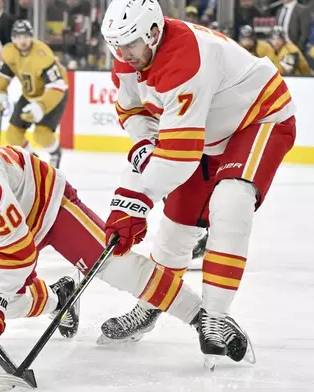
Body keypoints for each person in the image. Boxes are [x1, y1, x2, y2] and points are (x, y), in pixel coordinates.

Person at [0, 135, 254, 365]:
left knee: (116, 267)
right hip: (0, 232)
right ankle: (58, 299)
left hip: (46, 204)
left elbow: (17, 251)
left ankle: (204, 317)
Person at [98, 0, 295, 361]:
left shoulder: (186, 57)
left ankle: (216, 318)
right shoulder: (129, 52)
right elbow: (131, 109)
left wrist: (132, 203)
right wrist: (143, 145)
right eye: (116, 46)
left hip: (257, 120)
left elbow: (177, 157)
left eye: (129, 44)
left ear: (154, 33)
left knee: (231, 201)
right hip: (202, 133)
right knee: (175, 227)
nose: (123, 54)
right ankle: (150, 305)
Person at [0, 20, 67, 169]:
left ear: (31, 36)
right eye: (18, 37)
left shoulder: (42, 53)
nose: (22, 41)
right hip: (29, 95)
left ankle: (56, 152)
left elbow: (56, 86)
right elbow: (4, 75)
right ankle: (34, 162)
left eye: (25, 36)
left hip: (54, 94)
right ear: (13, 38)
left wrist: (41, 106)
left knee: (41, 135)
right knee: (13, 135)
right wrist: (0, 92)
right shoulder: (9, 52)